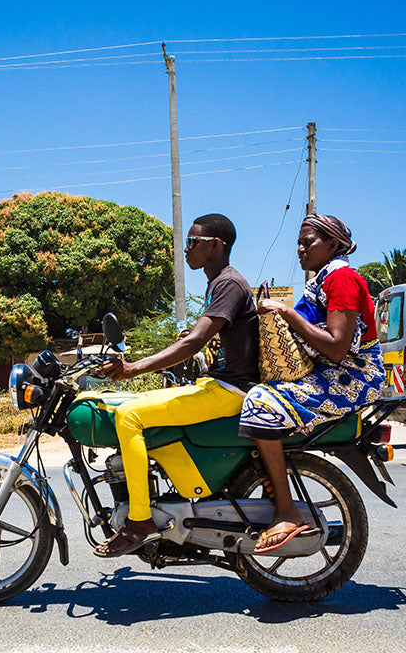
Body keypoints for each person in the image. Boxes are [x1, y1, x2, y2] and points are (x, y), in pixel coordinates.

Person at [94, 213, 259, 557]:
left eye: (193, 243)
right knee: (128, 406)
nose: (186, 249)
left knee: (129, 416)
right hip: (221, 385)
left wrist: (132, 368)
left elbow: (194, 342)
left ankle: (140, 521)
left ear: (216, 245)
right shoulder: (220, 284)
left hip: (231, 392)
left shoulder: (228, 283)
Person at [239, 214, 385, 554]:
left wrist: (287, 313)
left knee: (260, 404)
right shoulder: (320, 282)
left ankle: (288, 511)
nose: (301, 249)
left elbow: (336, 346)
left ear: (333, 245)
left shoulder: (343, 279)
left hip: (351, 378)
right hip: (329, 374)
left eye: (309, 242)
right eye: (299, 243)